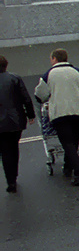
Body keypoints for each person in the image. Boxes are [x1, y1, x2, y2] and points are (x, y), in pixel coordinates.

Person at [34, 49, 79, 187]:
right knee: (74, 142)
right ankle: (68, 168)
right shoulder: (78, 71)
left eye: (51, 58)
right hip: (78, 112)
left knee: (67, 143)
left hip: (60, 114)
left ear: (55, 59)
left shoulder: (48, 75)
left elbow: (40, 96)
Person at [0, 54, 36, 193]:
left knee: (5, 151)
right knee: (12, 149)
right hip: (15, 121)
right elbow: (26, 98)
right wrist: (30, 114)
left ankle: (10, 179)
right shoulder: (15, 78)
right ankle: (13, 178)